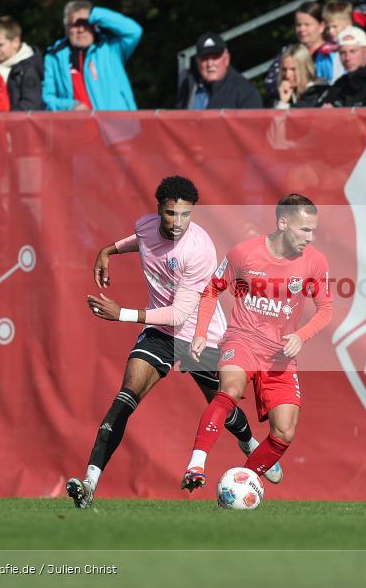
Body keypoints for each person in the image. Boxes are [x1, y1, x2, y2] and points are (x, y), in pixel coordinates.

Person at [66, 176, 281, 508]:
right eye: (171, 214)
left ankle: (249, 441)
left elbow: (180, 314)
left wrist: (121, 314)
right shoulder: (146, 226)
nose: (178, 223)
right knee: (124, 399)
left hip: (201, 336)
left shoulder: (199, 249)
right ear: (159, 210)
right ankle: (89, 483)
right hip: (160, 336)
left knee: (223, 407)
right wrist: (107, 251)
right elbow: (141, 240)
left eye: (185, 215)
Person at [179, 194, 333, 492]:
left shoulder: (315, 261)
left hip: (280, 355)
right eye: (304, 230)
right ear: (283, 223)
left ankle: (242, 483)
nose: (310, 237)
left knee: (284, 432)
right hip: (243, 340)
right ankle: (196, 464)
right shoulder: (243, 253)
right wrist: (200, 332)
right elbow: (212, 289)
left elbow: (326, 310)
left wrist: (301, 336)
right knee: (231, 389)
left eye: (313, 230)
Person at [42, 0, 142, 111]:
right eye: (75, 25)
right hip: (77, 126)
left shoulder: (110, 49)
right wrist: (70, 106)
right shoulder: (54, 57)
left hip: (118, 125)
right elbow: (47, 98)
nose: (81, 29)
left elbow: (134, 31)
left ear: (94, 25)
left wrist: (95, 14)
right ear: (66, 29)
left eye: (85, 23)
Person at [177, 32, 263, 110]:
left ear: (227, 59)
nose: (210, 64)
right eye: (204, 58)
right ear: (197, 61)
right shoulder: (188, 87)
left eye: (215, 57)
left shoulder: (245, 93)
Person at [0, 16, 44, 111]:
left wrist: (5, 118)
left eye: (0, 45)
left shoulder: (29, 69)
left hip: (17, 123)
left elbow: (31, 104)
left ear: (15, 42)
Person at [275, 44, 330, 109]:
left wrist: (283, 105)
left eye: (293, 69)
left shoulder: (318, 93)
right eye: (284, 69)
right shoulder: (283, 93)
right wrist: (283, 101)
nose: (287, 75)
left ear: (305, 68)